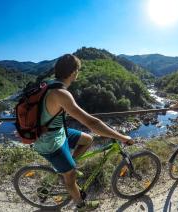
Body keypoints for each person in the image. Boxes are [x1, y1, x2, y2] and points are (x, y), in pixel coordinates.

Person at [33, 54, 133, 211]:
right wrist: (121, 137)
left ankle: (66, 169)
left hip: (58, 132)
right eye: (78, 70)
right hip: (50, 142)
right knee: (71, 177)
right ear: (74, 72)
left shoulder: (49, 84)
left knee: (87, 139)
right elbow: (92, 123)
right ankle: (81, 205)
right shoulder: (61, 93)